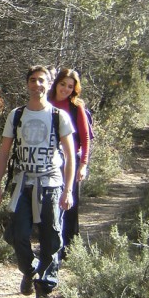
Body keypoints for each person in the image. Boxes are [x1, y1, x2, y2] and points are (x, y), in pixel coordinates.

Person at [0, 65, 76, 298]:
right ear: (27, 84)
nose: (37, 84)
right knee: (17, 234)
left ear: (49, 84)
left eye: (41, 80)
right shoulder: (16, 115)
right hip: (22, 183)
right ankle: (29, 272)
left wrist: (68, 190)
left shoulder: (58, 117)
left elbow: (70, 156)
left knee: (52, 236)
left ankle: (44, 288)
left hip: (51, 184)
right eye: (32, 80)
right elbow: (4, 152)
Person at [49, 67, 91, 257]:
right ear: (56, 83)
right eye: (63, 84)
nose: (65, 89)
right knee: (49, 203)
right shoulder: (46, 103)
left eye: (70, 86)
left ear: (74, 89)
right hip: (48, 160)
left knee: (69, 202)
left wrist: (83, 164)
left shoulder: (76, 107)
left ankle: (69, 247)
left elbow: (85, 137)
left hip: (70, 161)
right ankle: (50, 242)